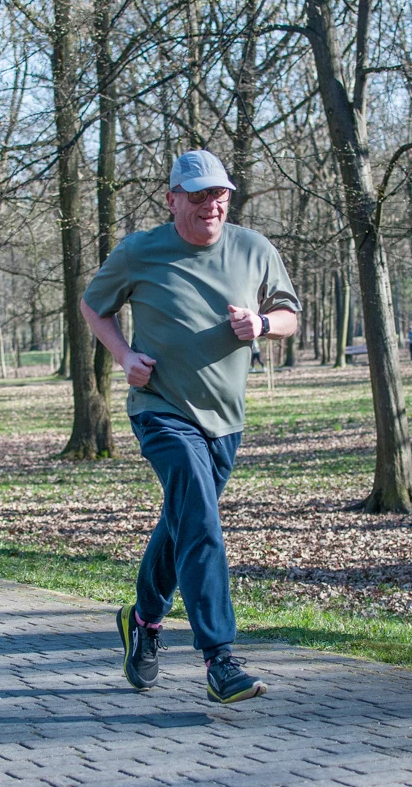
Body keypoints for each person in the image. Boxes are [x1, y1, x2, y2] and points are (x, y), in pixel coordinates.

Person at [81, 150, 299, 704]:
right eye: (199, 195)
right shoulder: (139, 251)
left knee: (183, 522)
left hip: (226, 420)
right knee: (200, 517)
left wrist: (263, 323)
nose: (212, 204)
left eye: (220, 194)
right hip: (161, 410)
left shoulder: (254, 249)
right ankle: (220, 658)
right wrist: (124, 357)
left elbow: (291, 316)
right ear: (172, 197)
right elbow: (93, 305)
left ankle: (144, 621)